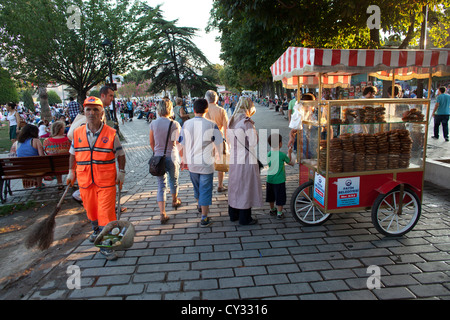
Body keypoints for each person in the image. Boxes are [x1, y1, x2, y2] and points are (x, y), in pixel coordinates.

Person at [67, 96, 126, 260]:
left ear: (101, 113)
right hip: (86, 181)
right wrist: (71, 172)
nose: (91, 113)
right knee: (92, 211)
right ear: (84, 112)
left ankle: (107, 244)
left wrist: (122, 171)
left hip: (106, 182)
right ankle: (96, 231)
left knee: (106, 213)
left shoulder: (111, 133)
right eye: (88, 109)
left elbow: (121, 154)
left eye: (95, 110)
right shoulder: (78, 133)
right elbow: (72, 154)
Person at [179, 98, 223, 227]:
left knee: (197, 187)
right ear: (206, 110)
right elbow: (219, 142)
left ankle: (199, 205)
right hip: (206, 164)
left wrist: (183, 159)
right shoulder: (211, 124)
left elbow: (181, 144)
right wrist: (219, 155)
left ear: (193, 110)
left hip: (192, 163)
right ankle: (204, 217)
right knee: (205, 189)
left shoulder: (186, 124)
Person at [227, 96, 263, 225]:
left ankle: (233, 214)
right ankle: (245, 217)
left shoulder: (231, 120)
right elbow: (253, 142)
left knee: (236, 185)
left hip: (235, 158)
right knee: (246, 186)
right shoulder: (246, 122)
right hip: (246, 158)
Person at [149, 99, 182, 224]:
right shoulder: (175, 124)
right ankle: (175, 200)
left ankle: (162, 213)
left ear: (159, 109)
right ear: (170, 109)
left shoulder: (153, 124)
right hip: (172, 156)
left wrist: (157, 152)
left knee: (161, 185)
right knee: (174, 180)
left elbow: (151, 142)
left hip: (158, 158)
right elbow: (177, 142)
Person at [205, 90, 229, 192]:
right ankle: (220, 185)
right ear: (217, 99)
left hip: (206, 141)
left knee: (207, 164)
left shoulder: (204, 110)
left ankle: (207, 186)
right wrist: (228, 142)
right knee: (220, 164)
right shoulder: (221, 110)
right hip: (219, 139)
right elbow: (226, 127)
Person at [266, 133, 295, 220]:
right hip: (280, 180)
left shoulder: (269, 154)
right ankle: (279, 213)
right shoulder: (282, 155)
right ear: (280, 144)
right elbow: (289, 161)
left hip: (270, 180)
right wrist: (289, 152)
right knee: (280, 196)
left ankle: (272, 209)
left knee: (270, 196)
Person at [14, 124, 45, 189]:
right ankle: (39, 185)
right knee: (40, 164)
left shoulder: (17, 143)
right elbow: (42, 157)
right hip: (36, 168)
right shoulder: (36, 141)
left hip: (22, 168)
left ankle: (32, 184)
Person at [43, 121, 71, 188]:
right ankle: (71, 182)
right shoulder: (69, 140)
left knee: (57, 163)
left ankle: (60, 183)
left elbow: (46, 152)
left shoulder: (46, 141)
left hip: (54, 168)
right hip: (69, 166)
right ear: (61, 129)